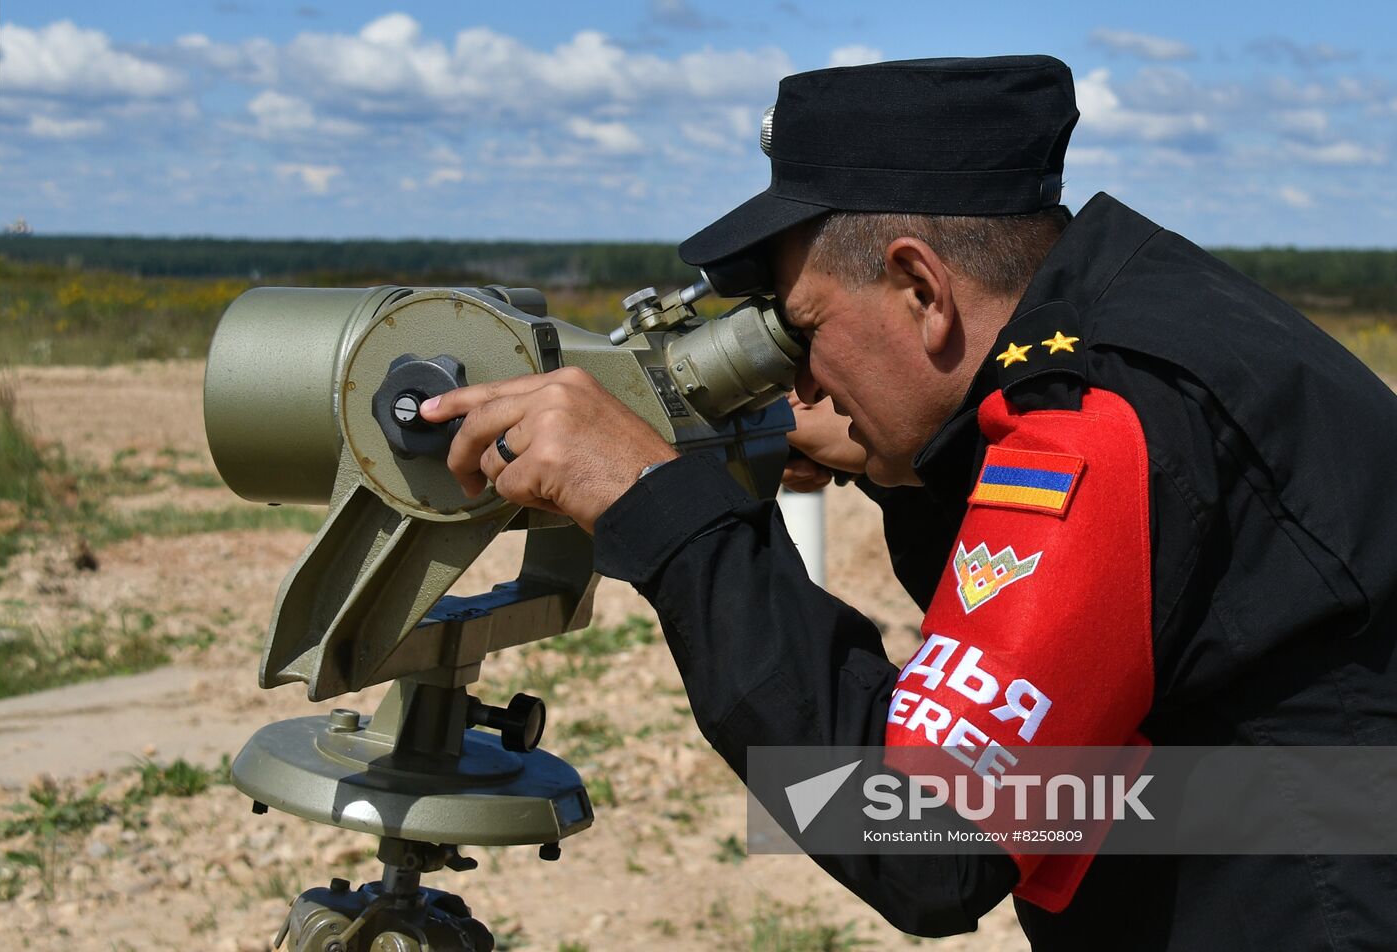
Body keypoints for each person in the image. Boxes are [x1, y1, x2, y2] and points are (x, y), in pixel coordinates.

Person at [421, 55, 1397, 950]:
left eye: (804, 329)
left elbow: (924, 835)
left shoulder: (1097, 417)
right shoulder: (1136, 311)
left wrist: (660, 510)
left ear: (919, 288)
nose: (801, 376)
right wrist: (911, 460)